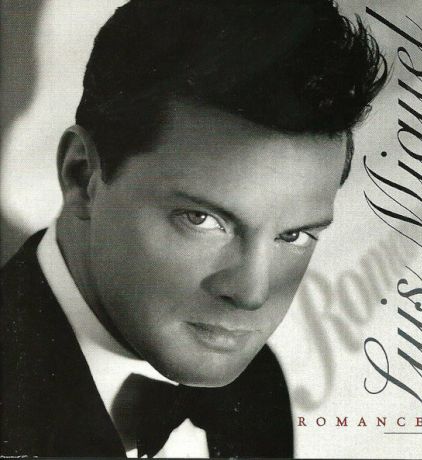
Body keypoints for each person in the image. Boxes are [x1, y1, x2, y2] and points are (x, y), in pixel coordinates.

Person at [0, 0, 387, 457]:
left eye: (293, 235)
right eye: (201, 219)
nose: (252, 293)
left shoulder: (256, 386)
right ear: (82, 176)